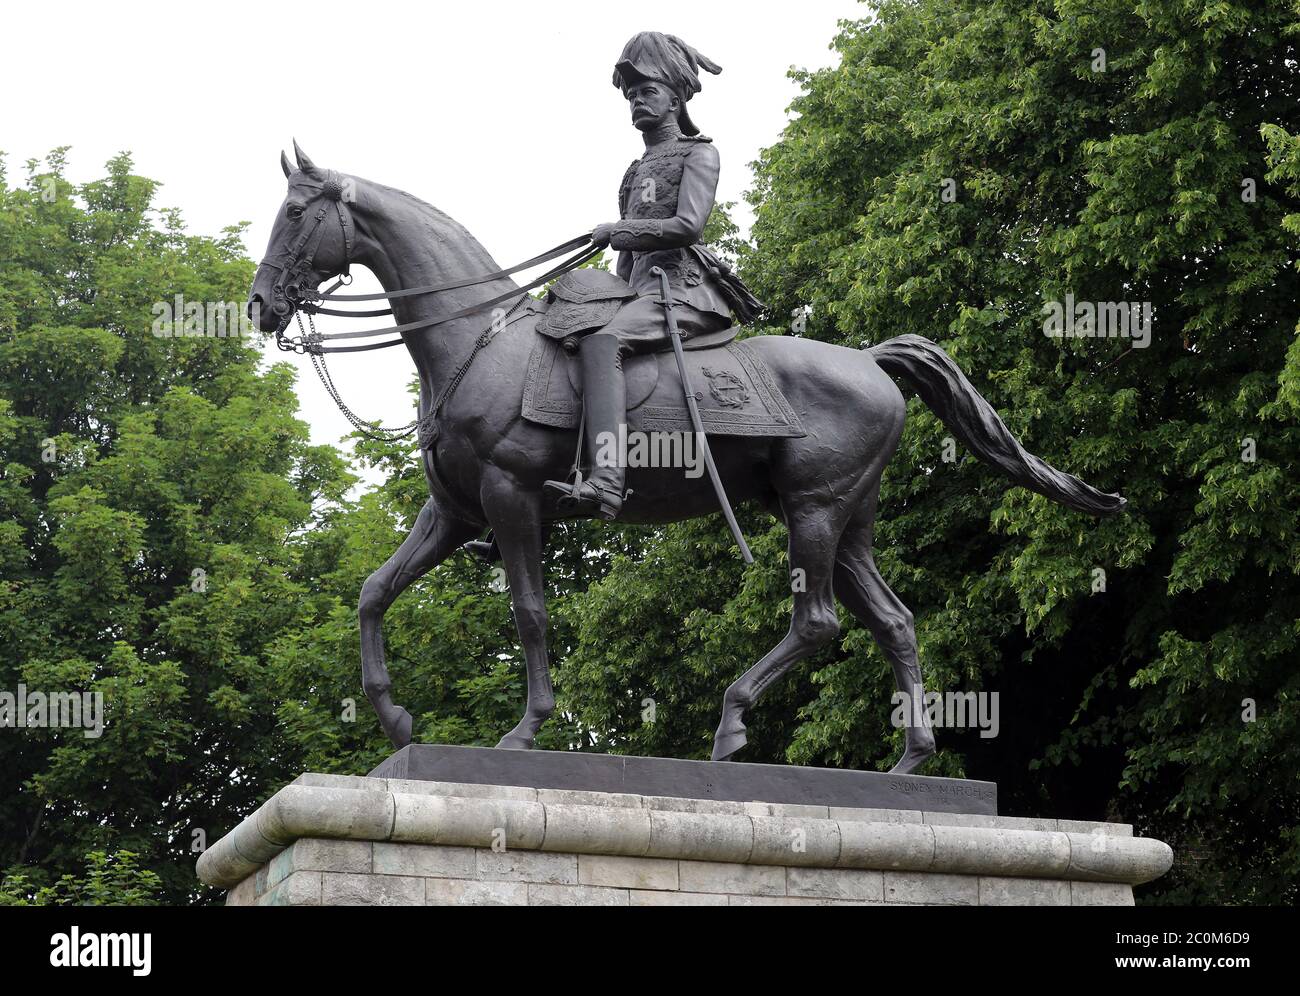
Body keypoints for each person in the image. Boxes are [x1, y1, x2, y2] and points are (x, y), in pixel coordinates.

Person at [541, 31, 763, 520]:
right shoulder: (633, 170)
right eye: (631, 95)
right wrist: (604, 294)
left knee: (602, 345)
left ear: (675, 98)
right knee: (560, 334)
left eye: (647, 92)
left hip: (684, 293)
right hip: (639, 293)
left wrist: (620, 230)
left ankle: (607, 483)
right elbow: (626, 261)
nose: (637, 102)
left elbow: (688, 225)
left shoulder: (697, 153)